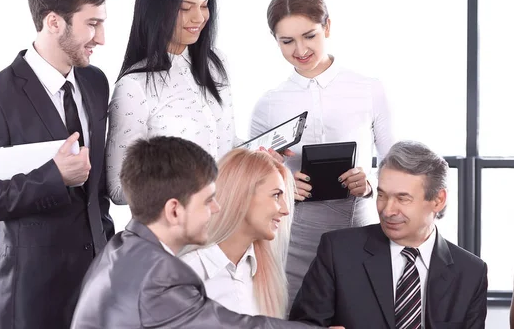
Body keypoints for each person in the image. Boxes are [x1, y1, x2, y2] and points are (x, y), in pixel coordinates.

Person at [0, 0, 116, 329]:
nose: (102, 38)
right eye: (92, 24)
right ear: (54, 22)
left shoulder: (95, 84)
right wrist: (52, 177)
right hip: (28, 304)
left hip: (96, 293)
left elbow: (96, 193)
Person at [71, 136, 341, 329]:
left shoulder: (121, 248)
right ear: (174, 210)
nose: (216, 208)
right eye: (207, 200)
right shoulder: (160, 274)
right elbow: (232, 325)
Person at [251, 0, 394, 302]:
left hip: (357, 232)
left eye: (309, 36)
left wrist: (369, 181)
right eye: (286, 41)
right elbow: (249, 180)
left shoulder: (368, 89)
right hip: (291, 239)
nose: (299, 50)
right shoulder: (270, 103)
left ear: (327, 26)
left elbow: (395, 164)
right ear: (275, 40)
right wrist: (284, 181)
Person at [289, 141, 488, 328]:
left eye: (403, 199)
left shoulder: (471, 273)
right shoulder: (337, 251)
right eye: (382, 195)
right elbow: (302, 326)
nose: (387, 210)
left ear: (438, 200)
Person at [106, 0, 238, 204]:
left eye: (204, 5)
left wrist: (259, 153)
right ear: (157, 9)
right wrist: (184, 181)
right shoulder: (134, 87)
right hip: (175, 236)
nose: (199, 18)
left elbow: (226, 145)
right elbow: (118, 188)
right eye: (185, 7)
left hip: (224, 226)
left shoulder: (216, 65)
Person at [181, 148, 294, 318]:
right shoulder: (184, 276)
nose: (285, 210)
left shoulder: (262, 276)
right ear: (242, 195)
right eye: (276, 195)